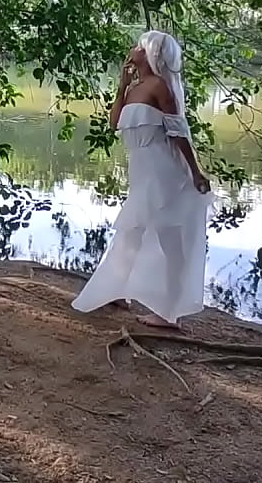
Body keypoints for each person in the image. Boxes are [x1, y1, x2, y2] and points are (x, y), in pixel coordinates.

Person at [71, 30, 213, 330]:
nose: (133, 49)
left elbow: (177, 131)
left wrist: (195, 171)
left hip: (164, 171)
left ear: (151, 54)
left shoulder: (160, 86)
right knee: (132, 230)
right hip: (141, 170)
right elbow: (114, 123)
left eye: (139, 46)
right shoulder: (134, 87)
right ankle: (117, 291)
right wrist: (122, 86)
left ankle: (170, 313)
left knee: (168, 239)